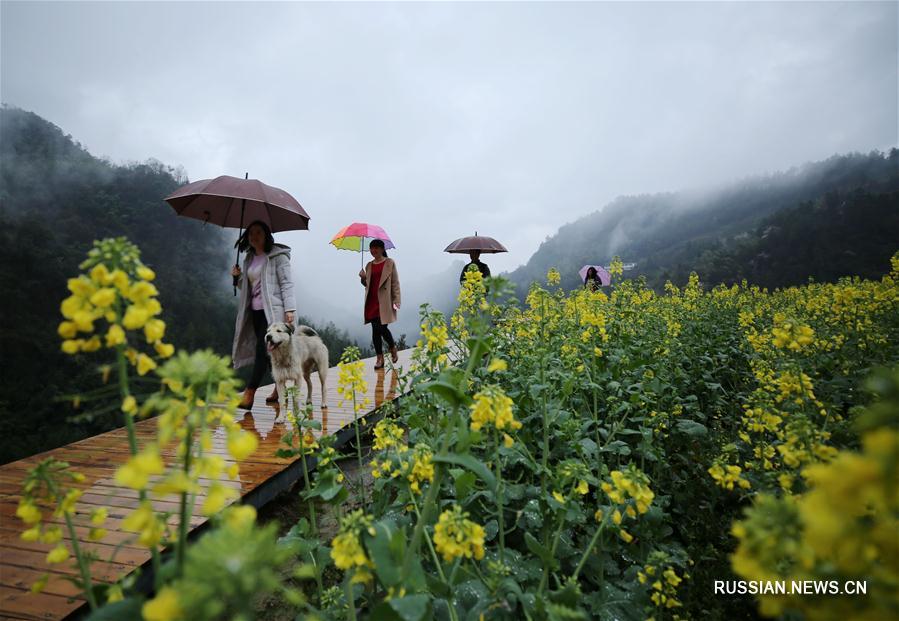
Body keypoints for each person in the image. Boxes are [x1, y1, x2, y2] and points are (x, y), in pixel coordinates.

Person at [230, 220, 296, 409]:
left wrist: (290, 309)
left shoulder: (278, 257)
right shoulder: (249, 258)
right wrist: (237, 278)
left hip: (273, 313)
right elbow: (248, 288)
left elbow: (286, 284)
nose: (253, 236)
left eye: (258, 232)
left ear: (266, 234)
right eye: (251, 233)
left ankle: (249, 393)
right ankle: (279, 388)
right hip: (255, 312)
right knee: (269, 354)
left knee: (262, 350)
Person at [359, 239, 401, 370]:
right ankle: (379, 358)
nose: (373, 251)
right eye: (371, 248)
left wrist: (397, 301)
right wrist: (363, 278)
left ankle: (392, 347)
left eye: (376, 248)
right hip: (372, 300)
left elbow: (395, 283)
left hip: (385, 301)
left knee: (381, 328)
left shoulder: (390, 263)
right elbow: (367, 285)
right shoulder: (369, 265)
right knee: (375, 330)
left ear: (382, 249)